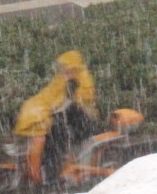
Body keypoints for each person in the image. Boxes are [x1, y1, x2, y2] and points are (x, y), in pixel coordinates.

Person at [13, 50, 99, 186]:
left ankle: (52, 176)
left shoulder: (79, 82)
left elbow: (74, 105)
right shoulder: (64, 79)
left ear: (73, 67)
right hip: (68, 120)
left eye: (66, 68)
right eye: (62, 68)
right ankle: (47, 171)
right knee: (50, 138)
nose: (64, 70)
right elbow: (49, 95)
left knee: (54, 141)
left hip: (80, 123)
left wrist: (51, 112)